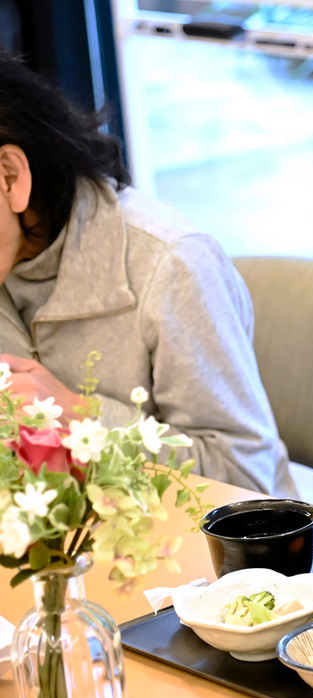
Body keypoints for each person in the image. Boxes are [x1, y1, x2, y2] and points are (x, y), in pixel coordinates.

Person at [0, 52, 295, 497]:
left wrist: (77, 414)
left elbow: (242, 478)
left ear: (9, 176)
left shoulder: (171, 264)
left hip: (193, 549)